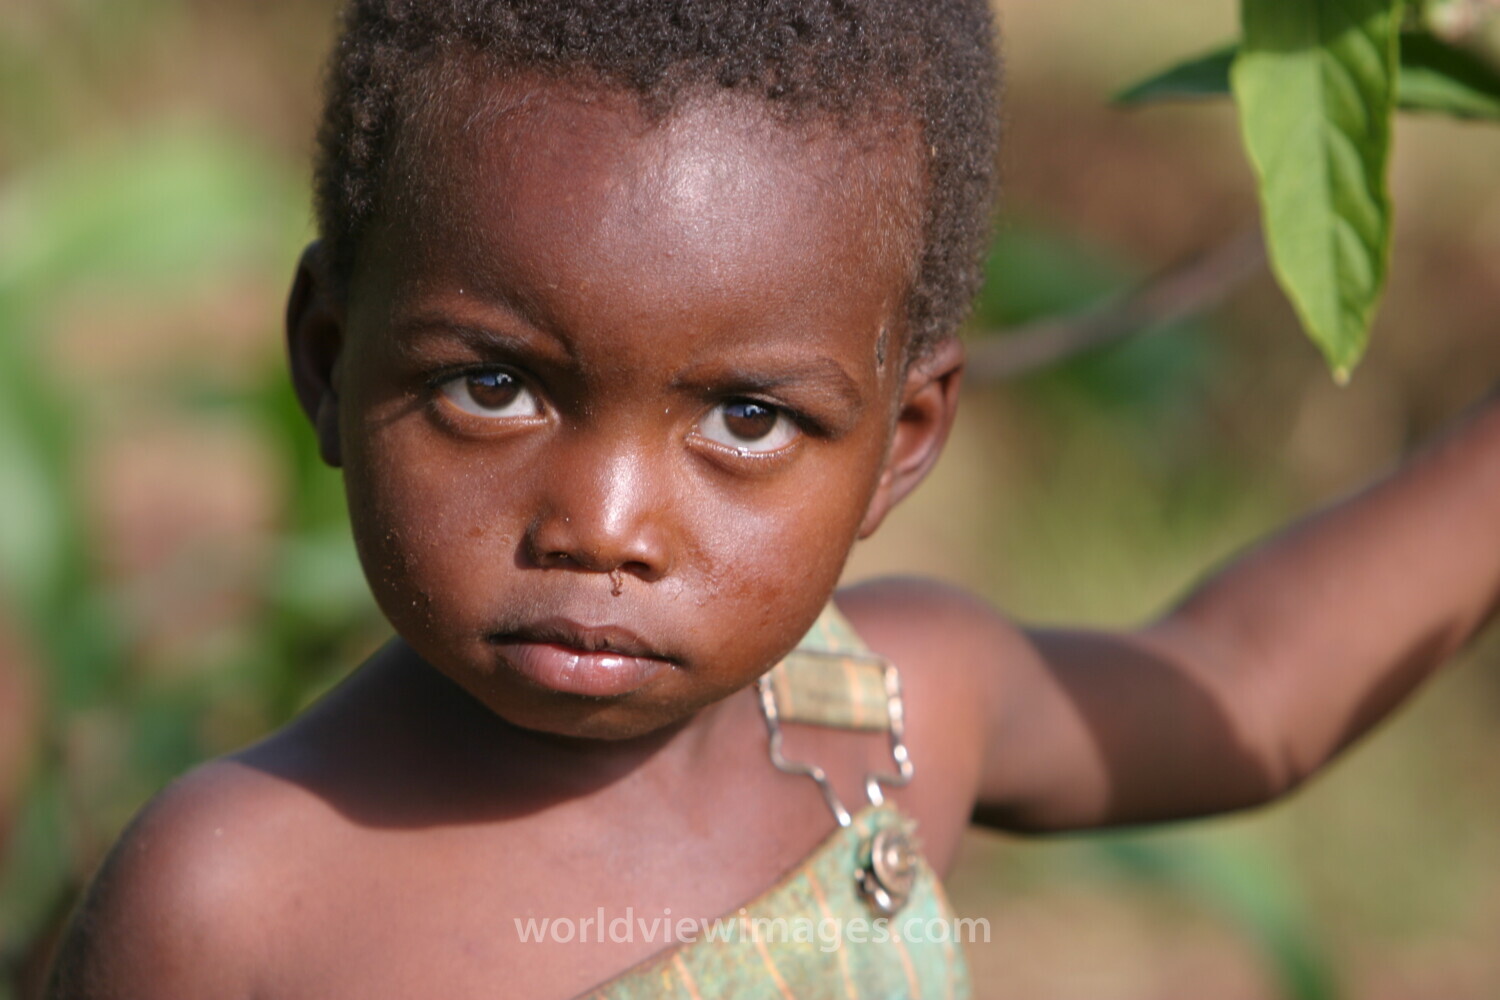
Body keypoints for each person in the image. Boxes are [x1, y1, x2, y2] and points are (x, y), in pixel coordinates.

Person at [44, 1, 1500, 997]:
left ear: (905, 440)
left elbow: (1248, 679)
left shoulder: (891, 713)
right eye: (494, 387)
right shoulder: (231, 898)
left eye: (745, 417)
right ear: (325, 361)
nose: (603, 523)